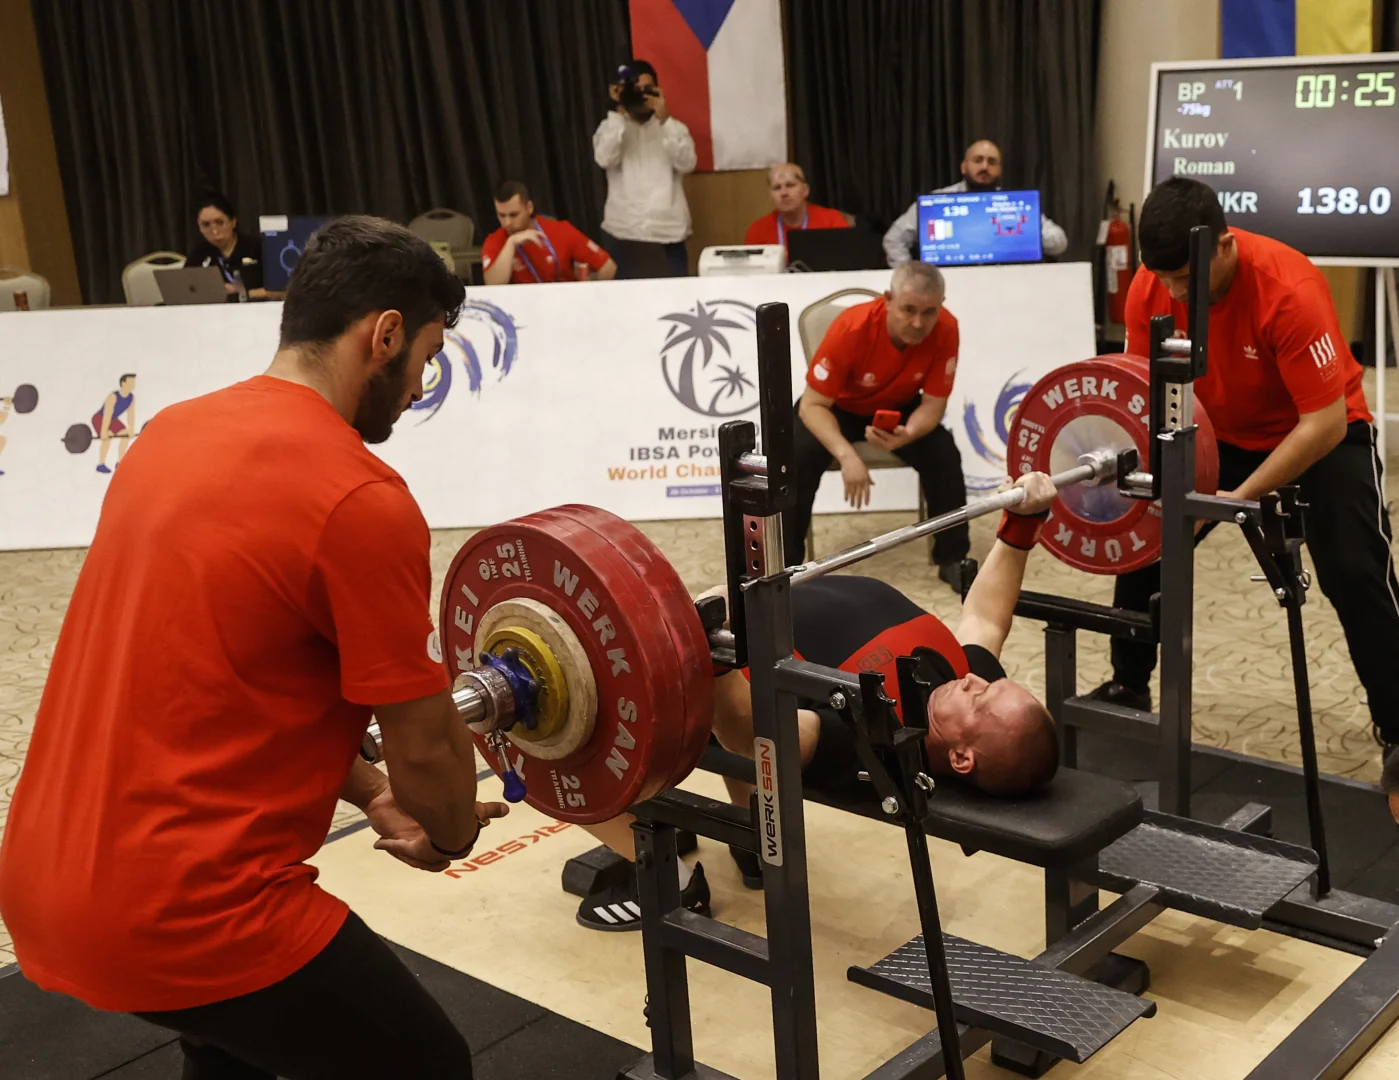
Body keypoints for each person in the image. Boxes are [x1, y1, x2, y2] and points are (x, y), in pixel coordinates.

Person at [0, 216, 506, 1079]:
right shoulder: (359, 498)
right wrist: (449, 833)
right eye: (424, 359)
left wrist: (374, 794)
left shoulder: (170, 435)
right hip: (189, 912)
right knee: (427, 1065)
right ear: (383, 335)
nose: (420, 387)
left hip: (44, 878)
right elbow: (425, 742)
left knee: (235, 1045)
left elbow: (229, 676)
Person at [573, 471, 1062, 929]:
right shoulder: (961, 685)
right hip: (750, 613)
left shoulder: (877, 742)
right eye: (992, 683)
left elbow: (756, 732)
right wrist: (1021, 526)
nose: (975, 681)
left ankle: (671, 883)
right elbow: (986, 619)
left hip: (714, 665)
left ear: (961, 757)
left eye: (981, 700)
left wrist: (714, 645)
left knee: (561, 733)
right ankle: (756, 845)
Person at [1088, 177, 1399, 763]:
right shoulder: (1151, 287)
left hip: (1317, 432)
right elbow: (1145, 390)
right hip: (1218, 430)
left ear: (1224, 246)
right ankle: (1128, 685)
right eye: (1164, 278)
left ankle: (1398, 724)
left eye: (1186, 278)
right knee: (1147, 538)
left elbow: (1324, 423)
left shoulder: (1290, 289)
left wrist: (1236, 500)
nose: (1175, 292)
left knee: (1356, 570)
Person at [787, 262, 970, 588]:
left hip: (898, 408)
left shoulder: (947, 328)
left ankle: (953, 558)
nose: (918, 323)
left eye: (929, 312)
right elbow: (812, 406)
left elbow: (933, 405)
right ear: (888, 299)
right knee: (796, 457)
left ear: (941, 306)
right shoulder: (851, 328)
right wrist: (846, 455)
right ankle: (787, 568)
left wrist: (908, 434)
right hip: (838, 407)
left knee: (944, 454)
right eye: (909, 310)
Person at [882, 139, 1069, 266]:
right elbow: (893, 240)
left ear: (999, 170)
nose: (984, 167)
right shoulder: (936, 202)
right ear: (964, 167)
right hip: (949, 283)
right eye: (978, 160)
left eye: (992, 162)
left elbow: (1059, 241)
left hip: (1006, 282)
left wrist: (1028, 234)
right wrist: (912, 279)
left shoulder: (1014, 203)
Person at [592, 59, 697, 278]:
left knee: (674, 297)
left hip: (667, 233)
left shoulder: (675, 128)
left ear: (658, 90)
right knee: (624, 298)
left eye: (647, 89)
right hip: (624, 233)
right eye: (635, 90)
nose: (641, 96)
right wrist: (617, 111)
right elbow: (604, 158)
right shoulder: (611, 127)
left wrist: (665, 120)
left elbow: (687, 164)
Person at [481, 179, 617, 286]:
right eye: (501, 215)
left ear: (529, 208)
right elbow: (493, 285)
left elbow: (608, 266)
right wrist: (511, 243)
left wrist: (591, 298)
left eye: (514, 215)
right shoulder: (495, 240)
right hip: (523, 307)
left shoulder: (560, 230)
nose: (507, 223)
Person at [743, 162, 850, 253]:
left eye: (790, 185)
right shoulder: (757, 230)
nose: (784, 193)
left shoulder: (832, 221)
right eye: (777, 188)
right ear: (771, 195)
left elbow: (848, 259)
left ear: (805, 190)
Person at [184, 194, 267, 301]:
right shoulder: (198, 255)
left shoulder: (258, 248)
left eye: (220, 223)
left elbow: (279, 291)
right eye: (206, 225)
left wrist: (243, 293)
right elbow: (186, 291)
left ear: (233, 222)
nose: (214, 231)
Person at [91, 373, 137, 474]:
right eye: (130, 382)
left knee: (126, 434)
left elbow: (131, 415)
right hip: (100, 418)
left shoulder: (131, 398)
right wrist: (104, 431)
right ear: (123, 383)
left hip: (113, 419)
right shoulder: (113, 397)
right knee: (108, 436)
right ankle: (101, 464)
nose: (133, 384)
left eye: (134, 382)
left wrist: (131, 429)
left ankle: (120, 462)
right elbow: (107, 414)